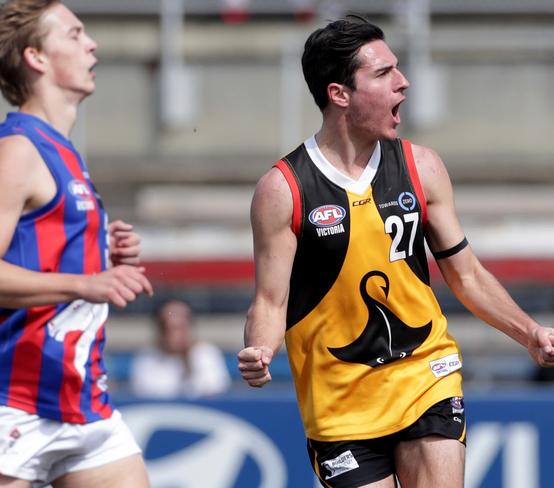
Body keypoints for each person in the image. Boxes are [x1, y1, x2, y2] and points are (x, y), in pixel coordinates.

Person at [236, 15, 554, 488]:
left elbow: (464, 273)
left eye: (398, 69)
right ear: (339, 93)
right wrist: (260, 350)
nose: (403, 83)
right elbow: (270, 301)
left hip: (426, 377)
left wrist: (527, 332)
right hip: (339, 403)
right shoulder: (284, 189)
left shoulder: (421, 166)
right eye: (383, 74)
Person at [0, 1, 153, 487]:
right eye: (75, 33)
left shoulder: (63, 150)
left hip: (84, 399)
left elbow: (41, 248)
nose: (92, 43)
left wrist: (104, 250)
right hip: (20, 403)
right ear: (37, 57)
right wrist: (88, 281)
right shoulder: (16, 149)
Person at [130, 299, 231, 398]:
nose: (176, 335)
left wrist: (187, 363)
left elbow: (215, 393)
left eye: (180, 327)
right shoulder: (147, 357)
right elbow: (145, 395)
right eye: (169, 328)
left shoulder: (206, 354)